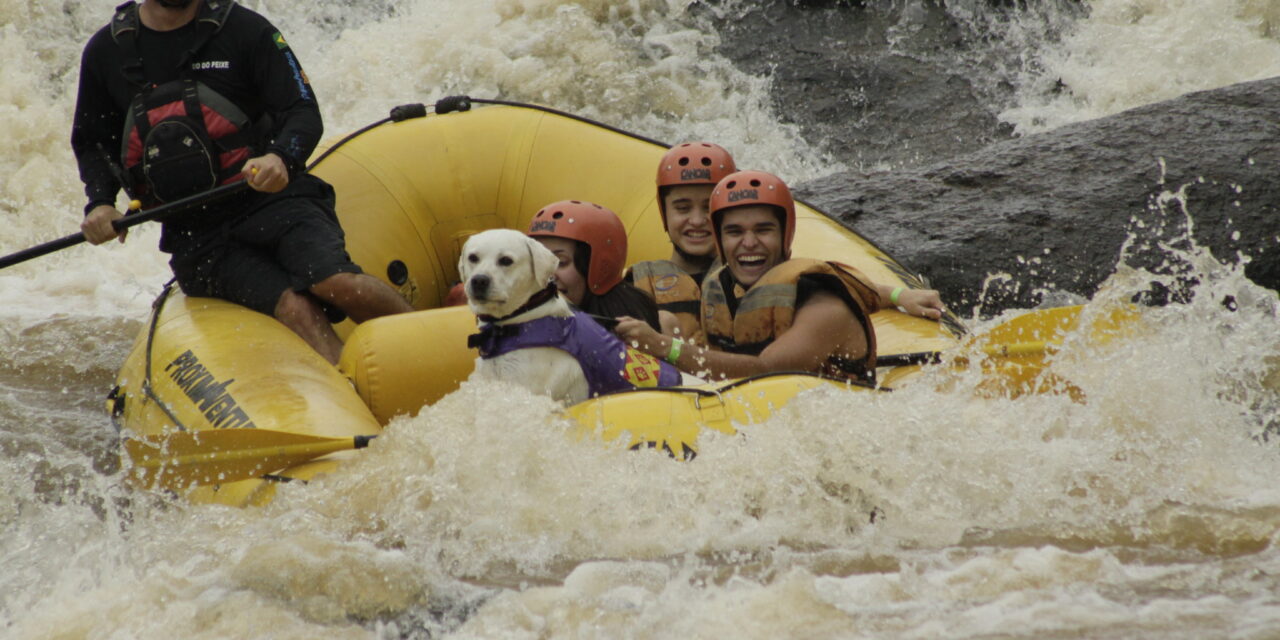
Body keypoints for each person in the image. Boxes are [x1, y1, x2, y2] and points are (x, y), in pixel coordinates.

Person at [71, 0, 412, 365]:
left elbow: (302, 110)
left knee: (336, 283)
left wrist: (280, 157)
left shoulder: (246, 30)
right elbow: (91, 141)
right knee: (292, 306)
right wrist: (101, 202)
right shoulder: (105, 51)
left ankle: (430, 346)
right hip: (196, 237)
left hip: (275, 201)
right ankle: (360, 400)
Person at [615, 170, 945, 383]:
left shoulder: (824, 305)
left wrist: (663, 347)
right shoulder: (726, 287)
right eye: (734, 232)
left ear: (785, 236)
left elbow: (766, 371)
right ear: (719, 240)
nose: (748, 243)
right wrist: (900, 295)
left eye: (763, 230)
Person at [627, 142, 736, 343]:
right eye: (683, 208)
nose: (696, 220)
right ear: (664, 213)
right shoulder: (632, 288)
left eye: (708, 208)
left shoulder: (751, 277)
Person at [526, 200, 663, 332]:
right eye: (538, 261)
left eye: (560, 262)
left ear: (599, 268)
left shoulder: (634, 332)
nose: (546, 276)